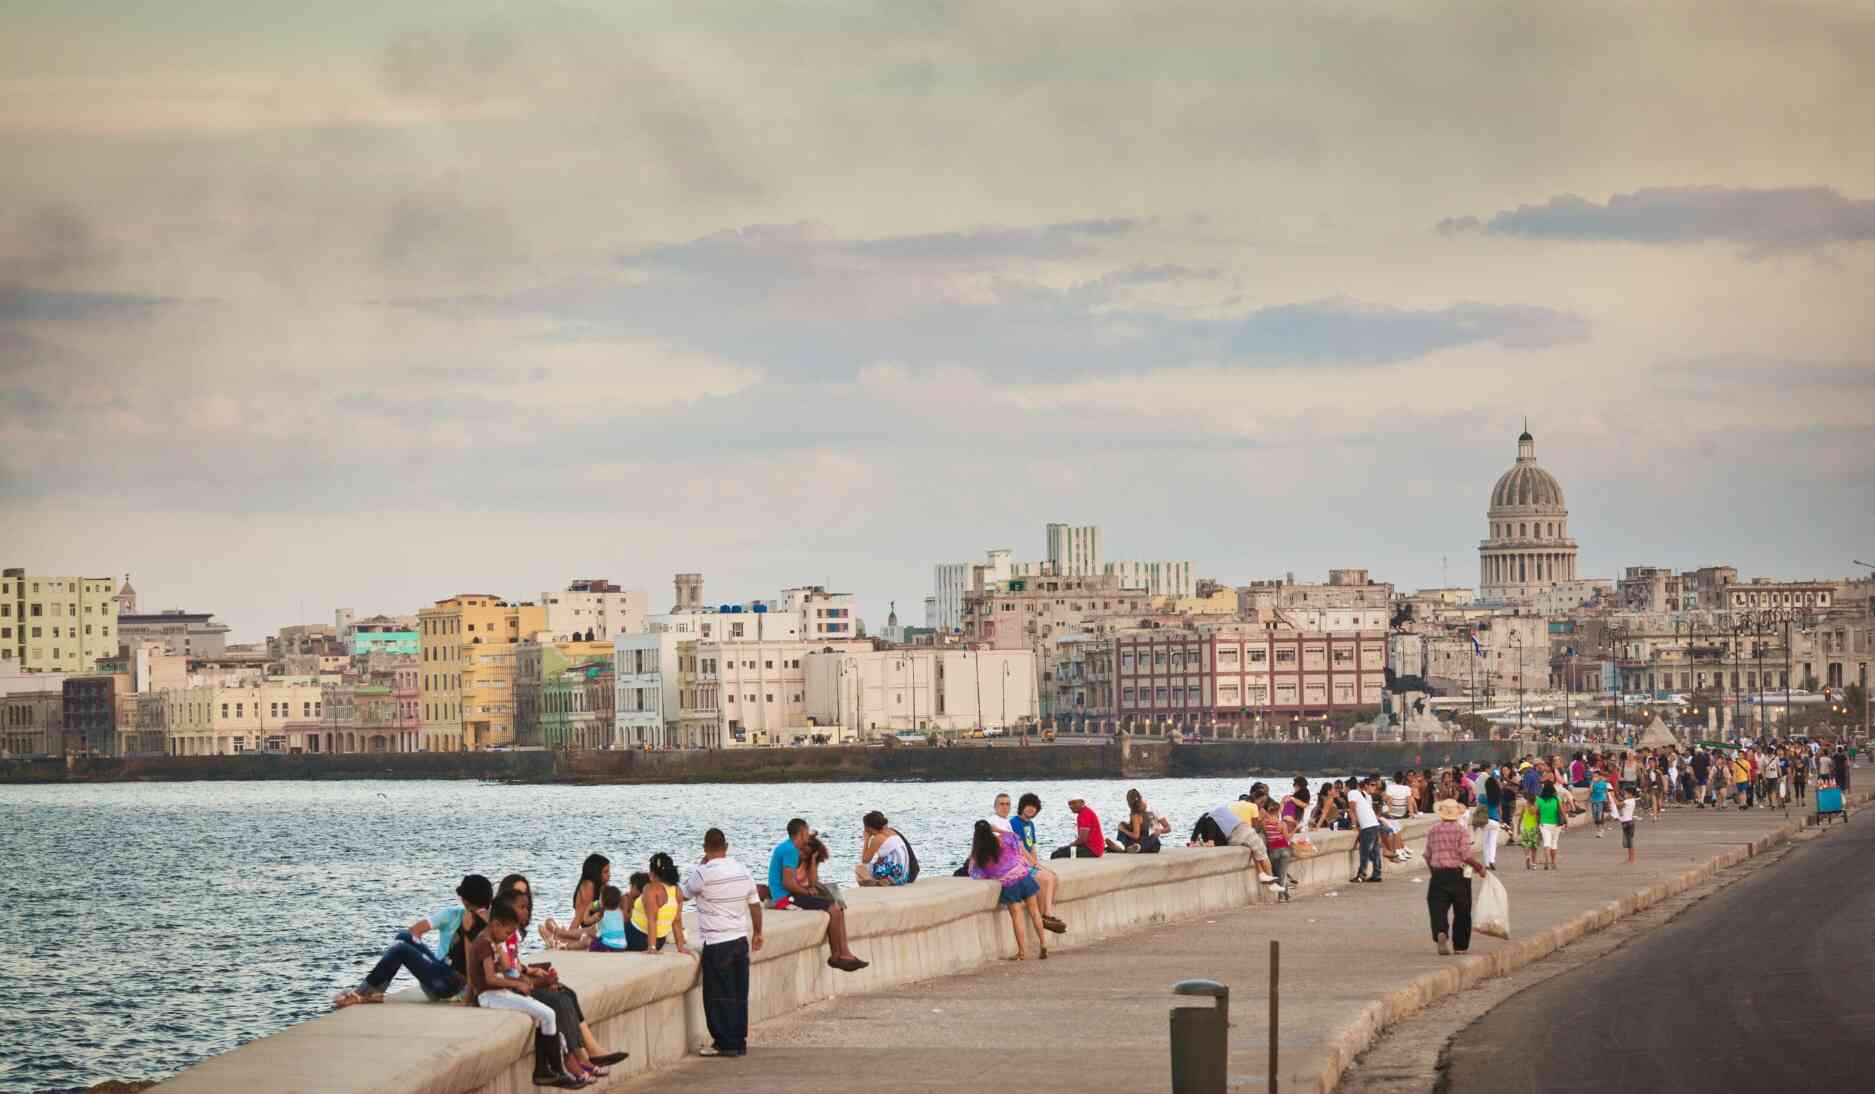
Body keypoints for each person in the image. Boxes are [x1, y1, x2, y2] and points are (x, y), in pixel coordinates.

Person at [470, 899, 583, 1089]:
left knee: (542, 1016)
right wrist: (517, 984)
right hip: (489, 996)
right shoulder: (482, 944)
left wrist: (504, 953)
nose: (507, 938)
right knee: (548, 1014)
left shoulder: (493, 941)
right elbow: (489, 978)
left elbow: (507, 968)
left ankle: (545, 1071)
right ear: (496, 924)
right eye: (506, 933)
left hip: (500, 992)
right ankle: (558, 1071)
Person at [335, 872, 493, 1007]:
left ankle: (361, 994)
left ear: (465, 900)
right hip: (443, 973)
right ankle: (374, 991)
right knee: (404, 936)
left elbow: (472, 962)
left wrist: (468, 997)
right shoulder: (475, 917)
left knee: (400, 948)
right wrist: (422, 961)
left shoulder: (474, 923)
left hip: (452, 986)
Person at [683, 827, 764, 1057]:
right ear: (726, 847)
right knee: (739, 993)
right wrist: (757, 932)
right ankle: (739, 1041)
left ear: (705, 848)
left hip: (717, 941)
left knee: (717, 995)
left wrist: (701, 866)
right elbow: (755, 905)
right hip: (739, 938)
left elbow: (684, 893)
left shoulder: (704, 872)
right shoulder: (742, 870)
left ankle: (724, 1043)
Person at [768, 818, 868, 972]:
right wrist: (807, 892)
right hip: (785, 898)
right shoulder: (790, 850)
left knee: (837, 908)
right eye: (806, 833)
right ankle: (836, 956)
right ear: (801, 833)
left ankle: (844, 954)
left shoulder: (788, 848)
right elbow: (788, 883)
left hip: (789, 895)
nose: (808, 836)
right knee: (833, 909)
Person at [967, 819, 1047, 960]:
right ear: (990, 829)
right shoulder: (1003, 840)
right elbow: (1015, 836)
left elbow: (974, 872)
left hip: (1009, 884)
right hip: (1024, 876)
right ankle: (1043, 944)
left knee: (1017, 917)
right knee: (1035, 912)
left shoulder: (979, 853)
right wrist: (998, 829)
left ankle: (1022, 952)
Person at [1425, 798, 1488, 955]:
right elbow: (1465, 855)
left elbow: (1427, 855)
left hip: (1438, 874)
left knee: (1437, 908)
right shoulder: (1461, 830)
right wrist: (1479, 867)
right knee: (1462, 911)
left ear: (1441, 814)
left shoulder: (1433, 830)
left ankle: (1441, 932)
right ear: (1457, 814)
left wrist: (1434, 872)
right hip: (1459, 875)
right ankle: (1460, 946)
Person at [1005, 793, 1067, 933]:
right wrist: (1033, 864)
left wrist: (1036, 862)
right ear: (1022, 806)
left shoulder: (1030, 824)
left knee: (1053, 876)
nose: (1031, 809)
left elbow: (1032, 846)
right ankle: (1046, 915)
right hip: (1019, 863)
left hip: (1029, 862)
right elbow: (1020, 848)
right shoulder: (1014, 822)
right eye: (1028, 806)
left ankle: (1046, 913)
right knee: (1047, 877)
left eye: (1034, 807)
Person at [544, 854, 610, 950]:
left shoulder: (603, 886)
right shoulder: (588, 886)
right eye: (605, 872)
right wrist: (568, 934)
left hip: (596, 928)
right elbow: (579, 917)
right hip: (589, 928)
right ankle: (560, 937)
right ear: (596, 872)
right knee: (586, 940)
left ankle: (557, 935)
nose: (609, 874)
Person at [628, 853, 689, 954]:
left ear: (652, 873)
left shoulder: (650, 889)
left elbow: (652, 920)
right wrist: (680, 947)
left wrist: (652, 947)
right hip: (660, 941)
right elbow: (677, 921)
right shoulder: (677, 890)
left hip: (637, 937)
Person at [855, 811, 915, 886]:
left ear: (868, 828)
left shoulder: (877, 838)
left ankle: (876, 883)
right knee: (864, 876)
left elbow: (865, 860)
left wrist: (866, 839)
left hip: (892, 877)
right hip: (903, 877)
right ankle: (877, 882)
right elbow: (885, 856)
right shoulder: (892, 832)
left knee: (859, 868)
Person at [1349, 776, 1384, 883]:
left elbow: (1352, 809)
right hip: (1373, 825)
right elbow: (1353, 809)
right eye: (1372, 785)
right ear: (1365, 785)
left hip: (1368, 826)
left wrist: (1354, 826)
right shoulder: (1354, 792)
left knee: (1366, 852)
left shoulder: (1366, 796)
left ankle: (1361, 875)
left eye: (1375, 785)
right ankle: (1376, 874)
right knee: (1374, 851)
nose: (1374, 787)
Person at [1116, 788, 1164, 853]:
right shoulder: (1145, 810)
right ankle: (1128, 847)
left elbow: (1136, 836)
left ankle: (1124, 847)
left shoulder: (1135, 815)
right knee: (1154, 839)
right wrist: (1127, 825)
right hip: (1150, 844)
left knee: (1122, 827)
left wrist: (1123, 829)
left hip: (1139, 842)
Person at [1536, 781, 1564, 870]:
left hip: (1544, 824)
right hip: (1556, 824)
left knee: (1546, 843)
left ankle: (1547, 861)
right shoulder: (1556, 799)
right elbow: (1562, 811)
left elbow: (1537, 812)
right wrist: (1566, 821)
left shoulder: (1539, 800)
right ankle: (1554, 862)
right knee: (1554, 843)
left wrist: (1538, 822)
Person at [592, 885, 629, 952]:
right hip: (622, 946)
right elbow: (625, 901)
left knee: (587, 941)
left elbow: (585, 921)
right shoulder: (621, 912)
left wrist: (588, 909)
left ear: (602, 901)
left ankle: (567, 946)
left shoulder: (600, 914)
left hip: (607, 945)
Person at [1615, 783, 1638, 863]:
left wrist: (1612, 796)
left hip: (1627, 823)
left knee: (1629, 842)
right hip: (1628, 822)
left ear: (1630, 794)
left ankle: (1631, 858)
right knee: (1628, 841)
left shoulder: (1628, 801)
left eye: (1625, 793)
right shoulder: (1631, 800)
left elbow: (1618, 804)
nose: (1624, 794)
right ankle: (1630, 858)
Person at [1588, 769, 1611, 837]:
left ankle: (1599, 831)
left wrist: (1607, 800)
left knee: (1599, 815)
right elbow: (1591, 791)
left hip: (1601, 801)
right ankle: (1599, 829)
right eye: (1594, 776)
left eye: (1596, 776)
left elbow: (1606, 792)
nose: (1595, 777)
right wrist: (1592, 783)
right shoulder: (1592, 783)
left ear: (1600, 776)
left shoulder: (1603, 783)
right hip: (1593, 800)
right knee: (1595, 815)